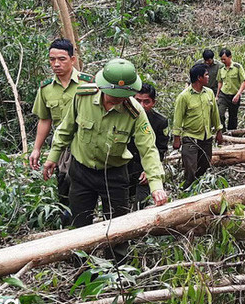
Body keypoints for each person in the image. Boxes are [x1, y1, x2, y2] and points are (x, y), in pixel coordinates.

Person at [42, 58, 168, 260]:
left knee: (117, 228)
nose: (119, 99)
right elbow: (66, 129)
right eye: (114, 95)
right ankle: (82, 268)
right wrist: (53, 157)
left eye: (124, 95)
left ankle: (115, 271)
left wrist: (156, 184)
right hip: (81, 172)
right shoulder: (82, 97)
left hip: (115, 174)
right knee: (80, 225)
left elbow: (149, 149)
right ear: (102, 86)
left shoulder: (135, 112)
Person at [29, 38, 93, 226]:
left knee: (85, 187)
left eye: (62, 59)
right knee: (64, 186)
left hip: (86, 144)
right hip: (62, 147)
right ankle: (68, 226)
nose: (56, 64)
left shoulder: (88, 83)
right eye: (52, 59)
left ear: (73, 60)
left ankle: (86, 222)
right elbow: (44, 119)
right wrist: (37, 148)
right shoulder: (46, 88)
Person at [173, 63, 223, 190]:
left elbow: (215, 114)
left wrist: (218, 131)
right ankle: (187, 191)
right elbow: (178, 119)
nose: (208, 77)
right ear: (199, 78)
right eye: (206, 75)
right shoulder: (184, 97)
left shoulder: (209, 93)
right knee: (190, 167)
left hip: (206, 136)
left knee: (205, 164)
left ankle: (198, 188)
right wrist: (176, 138)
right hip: (190, 137)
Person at [127, 83, 169, 209]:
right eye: (138, 100)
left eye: (146, 102)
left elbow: (160, 149)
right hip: (124, 168)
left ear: (153, 103)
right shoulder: (124, 117)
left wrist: (149, 171)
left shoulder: (160, 122)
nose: (141, 106)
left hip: (144, 169)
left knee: (140, 205)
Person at [216, 48, 245, 131]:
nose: (223, 61)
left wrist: (238, 94)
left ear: (230, 57)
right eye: (221, 59)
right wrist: (217, 95)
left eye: (224, 59)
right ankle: (222, 132)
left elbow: (244, 81)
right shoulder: (220, 68)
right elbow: (220, 82)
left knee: (233, 117)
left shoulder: (237, 67)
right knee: (220, 114)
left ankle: (232, 133)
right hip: (223, 94)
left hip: (234, 95)